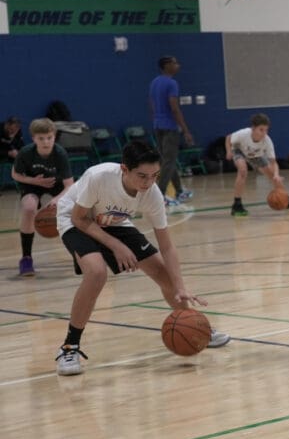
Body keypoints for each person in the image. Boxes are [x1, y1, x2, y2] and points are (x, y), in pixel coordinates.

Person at [53, 141, 230, 375]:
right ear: (124, 169)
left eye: (155, 176)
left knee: (163, 274)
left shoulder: (152, 193)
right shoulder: (99, 177)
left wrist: (180, 287)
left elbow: (167, 246)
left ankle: (194, 326)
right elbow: (79, 219)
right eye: (142, 176)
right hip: (76, 219)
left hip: (113, 220)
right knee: (96, 273)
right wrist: (116, 245)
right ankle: (69, 347)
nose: (148, 183)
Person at [11, 118, 73, 277]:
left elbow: (69, 185)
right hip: (32, 183)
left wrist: (57, 199)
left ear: (54, 136)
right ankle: (26, 258)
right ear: (33, 138)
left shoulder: (60, 153)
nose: (46, 142)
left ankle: (79, 253)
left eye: (49, 138)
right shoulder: (26, 153)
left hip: (56, 185)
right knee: (29, 208)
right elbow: (15, 174)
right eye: (41, 138)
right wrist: (34, 181)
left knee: (74, 210)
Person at [226, 113, 289, 217]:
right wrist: (228, 151)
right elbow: (228, 138)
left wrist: (276, 174)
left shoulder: (267, 141)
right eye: (261, 130)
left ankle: (286, 199)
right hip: (239, 150)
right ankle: (237, 205)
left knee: (273, 176)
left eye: (266, 130)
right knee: (243, 171)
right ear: (253, 128)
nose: (264, 133)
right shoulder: (243, 134)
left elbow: (273, 162)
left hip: (255, 155)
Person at [148, 55, 194, 205]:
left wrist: (157, 119)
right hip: (169, 127)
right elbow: (174, 108)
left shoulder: (154, 82)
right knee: (168, 161)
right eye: (175, 63)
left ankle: (179, 191)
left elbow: (152, 104)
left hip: (158, 125)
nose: (177, 65)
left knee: (168, 160)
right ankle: (159, 195)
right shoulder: (172, 83)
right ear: (167, 65)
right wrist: (186, 130)